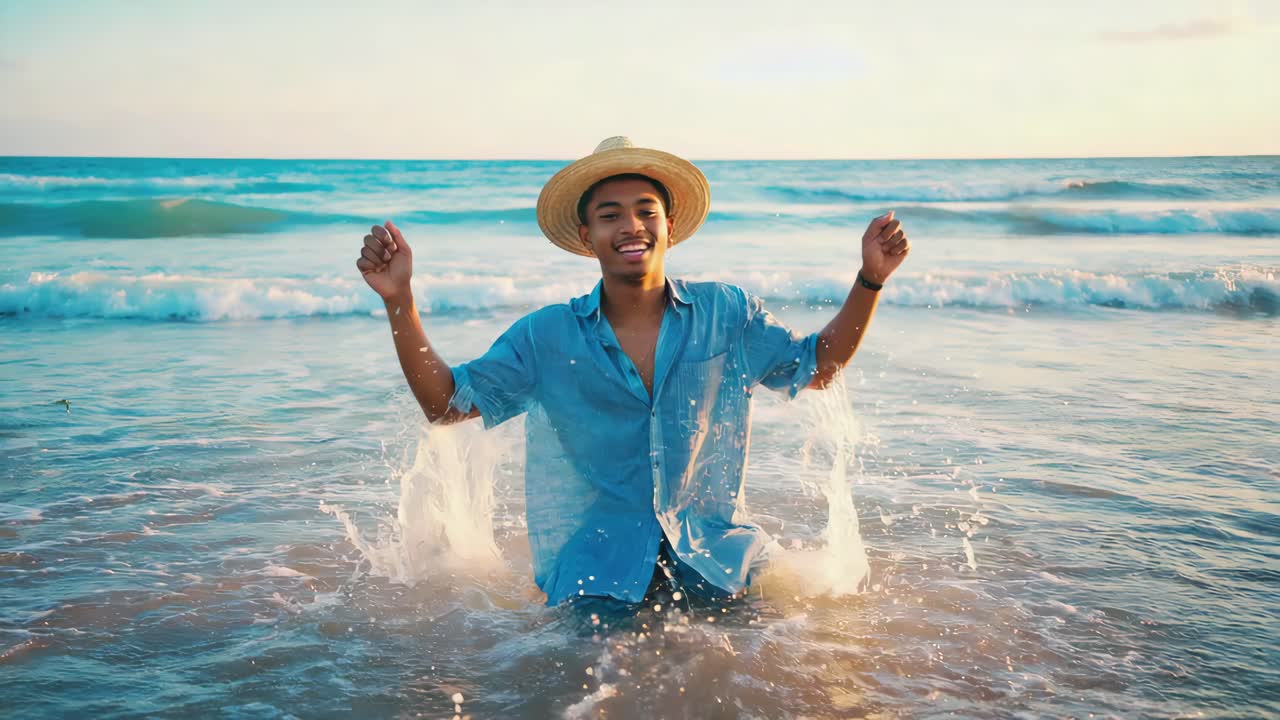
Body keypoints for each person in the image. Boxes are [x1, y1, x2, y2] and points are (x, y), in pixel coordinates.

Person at [355, 137, 910, 607]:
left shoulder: (726, 313)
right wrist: (399, 300)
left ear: (669, 225)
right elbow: (447, 405)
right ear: (585, 236)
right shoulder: (546, 336)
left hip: (722, 564)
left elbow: (816, 366)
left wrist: (870, 280)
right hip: (598, 579)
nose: (631, 226)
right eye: (610, 215)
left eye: (646, 211)